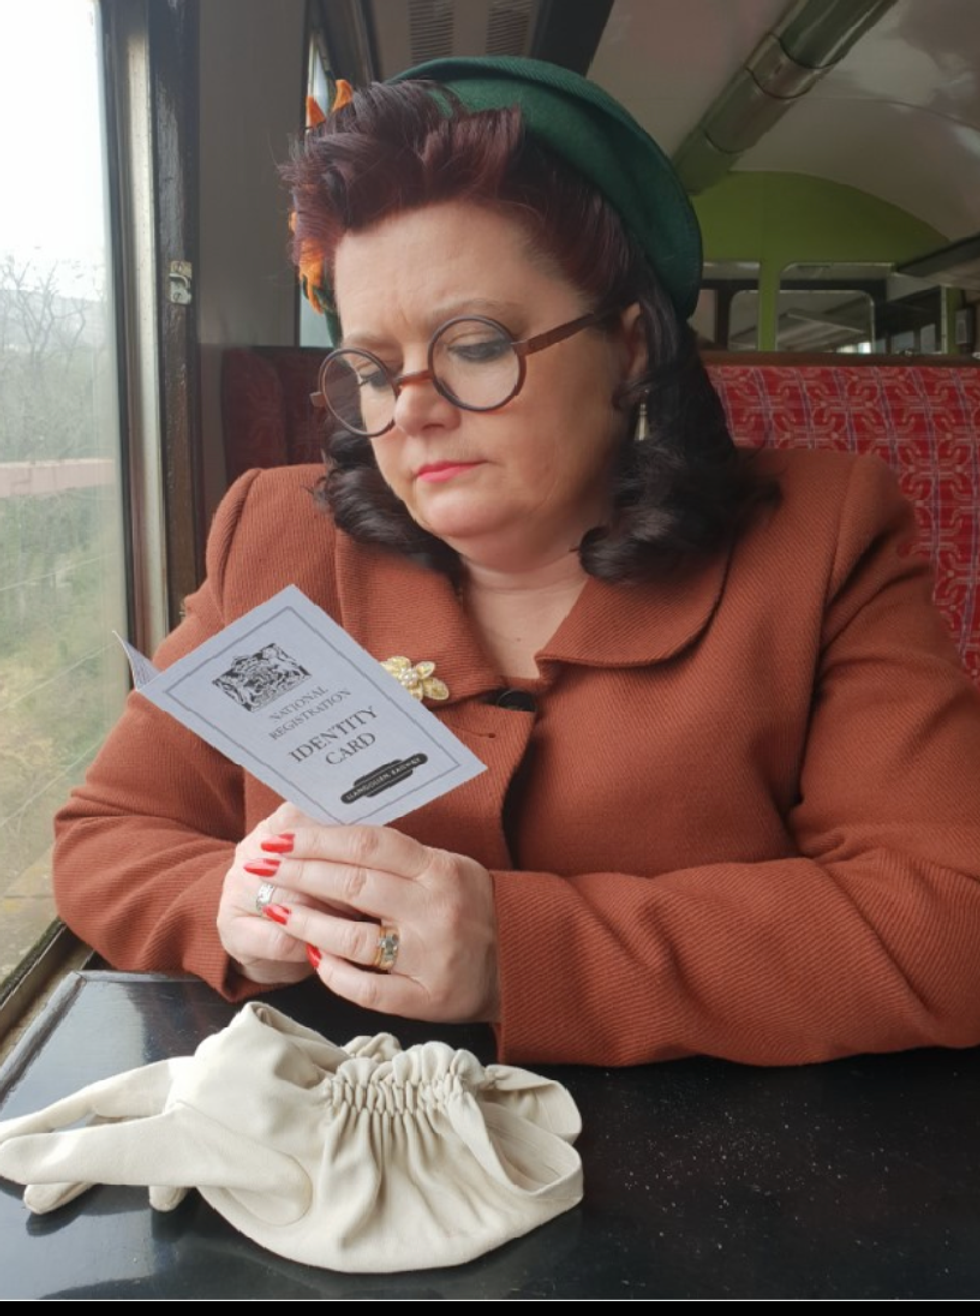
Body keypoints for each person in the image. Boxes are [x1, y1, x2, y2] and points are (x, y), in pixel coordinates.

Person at [53, 57, 980, 1068]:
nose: (411, 406)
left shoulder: (817, 539)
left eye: (476, 343)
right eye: (371, 367)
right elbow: (108, 835)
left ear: (629, 348)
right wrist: (225, 907)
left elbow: (946, 916)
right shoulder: (274, 536)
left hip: (695, 1188)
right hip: (326, 1166)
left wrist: (524, 949)